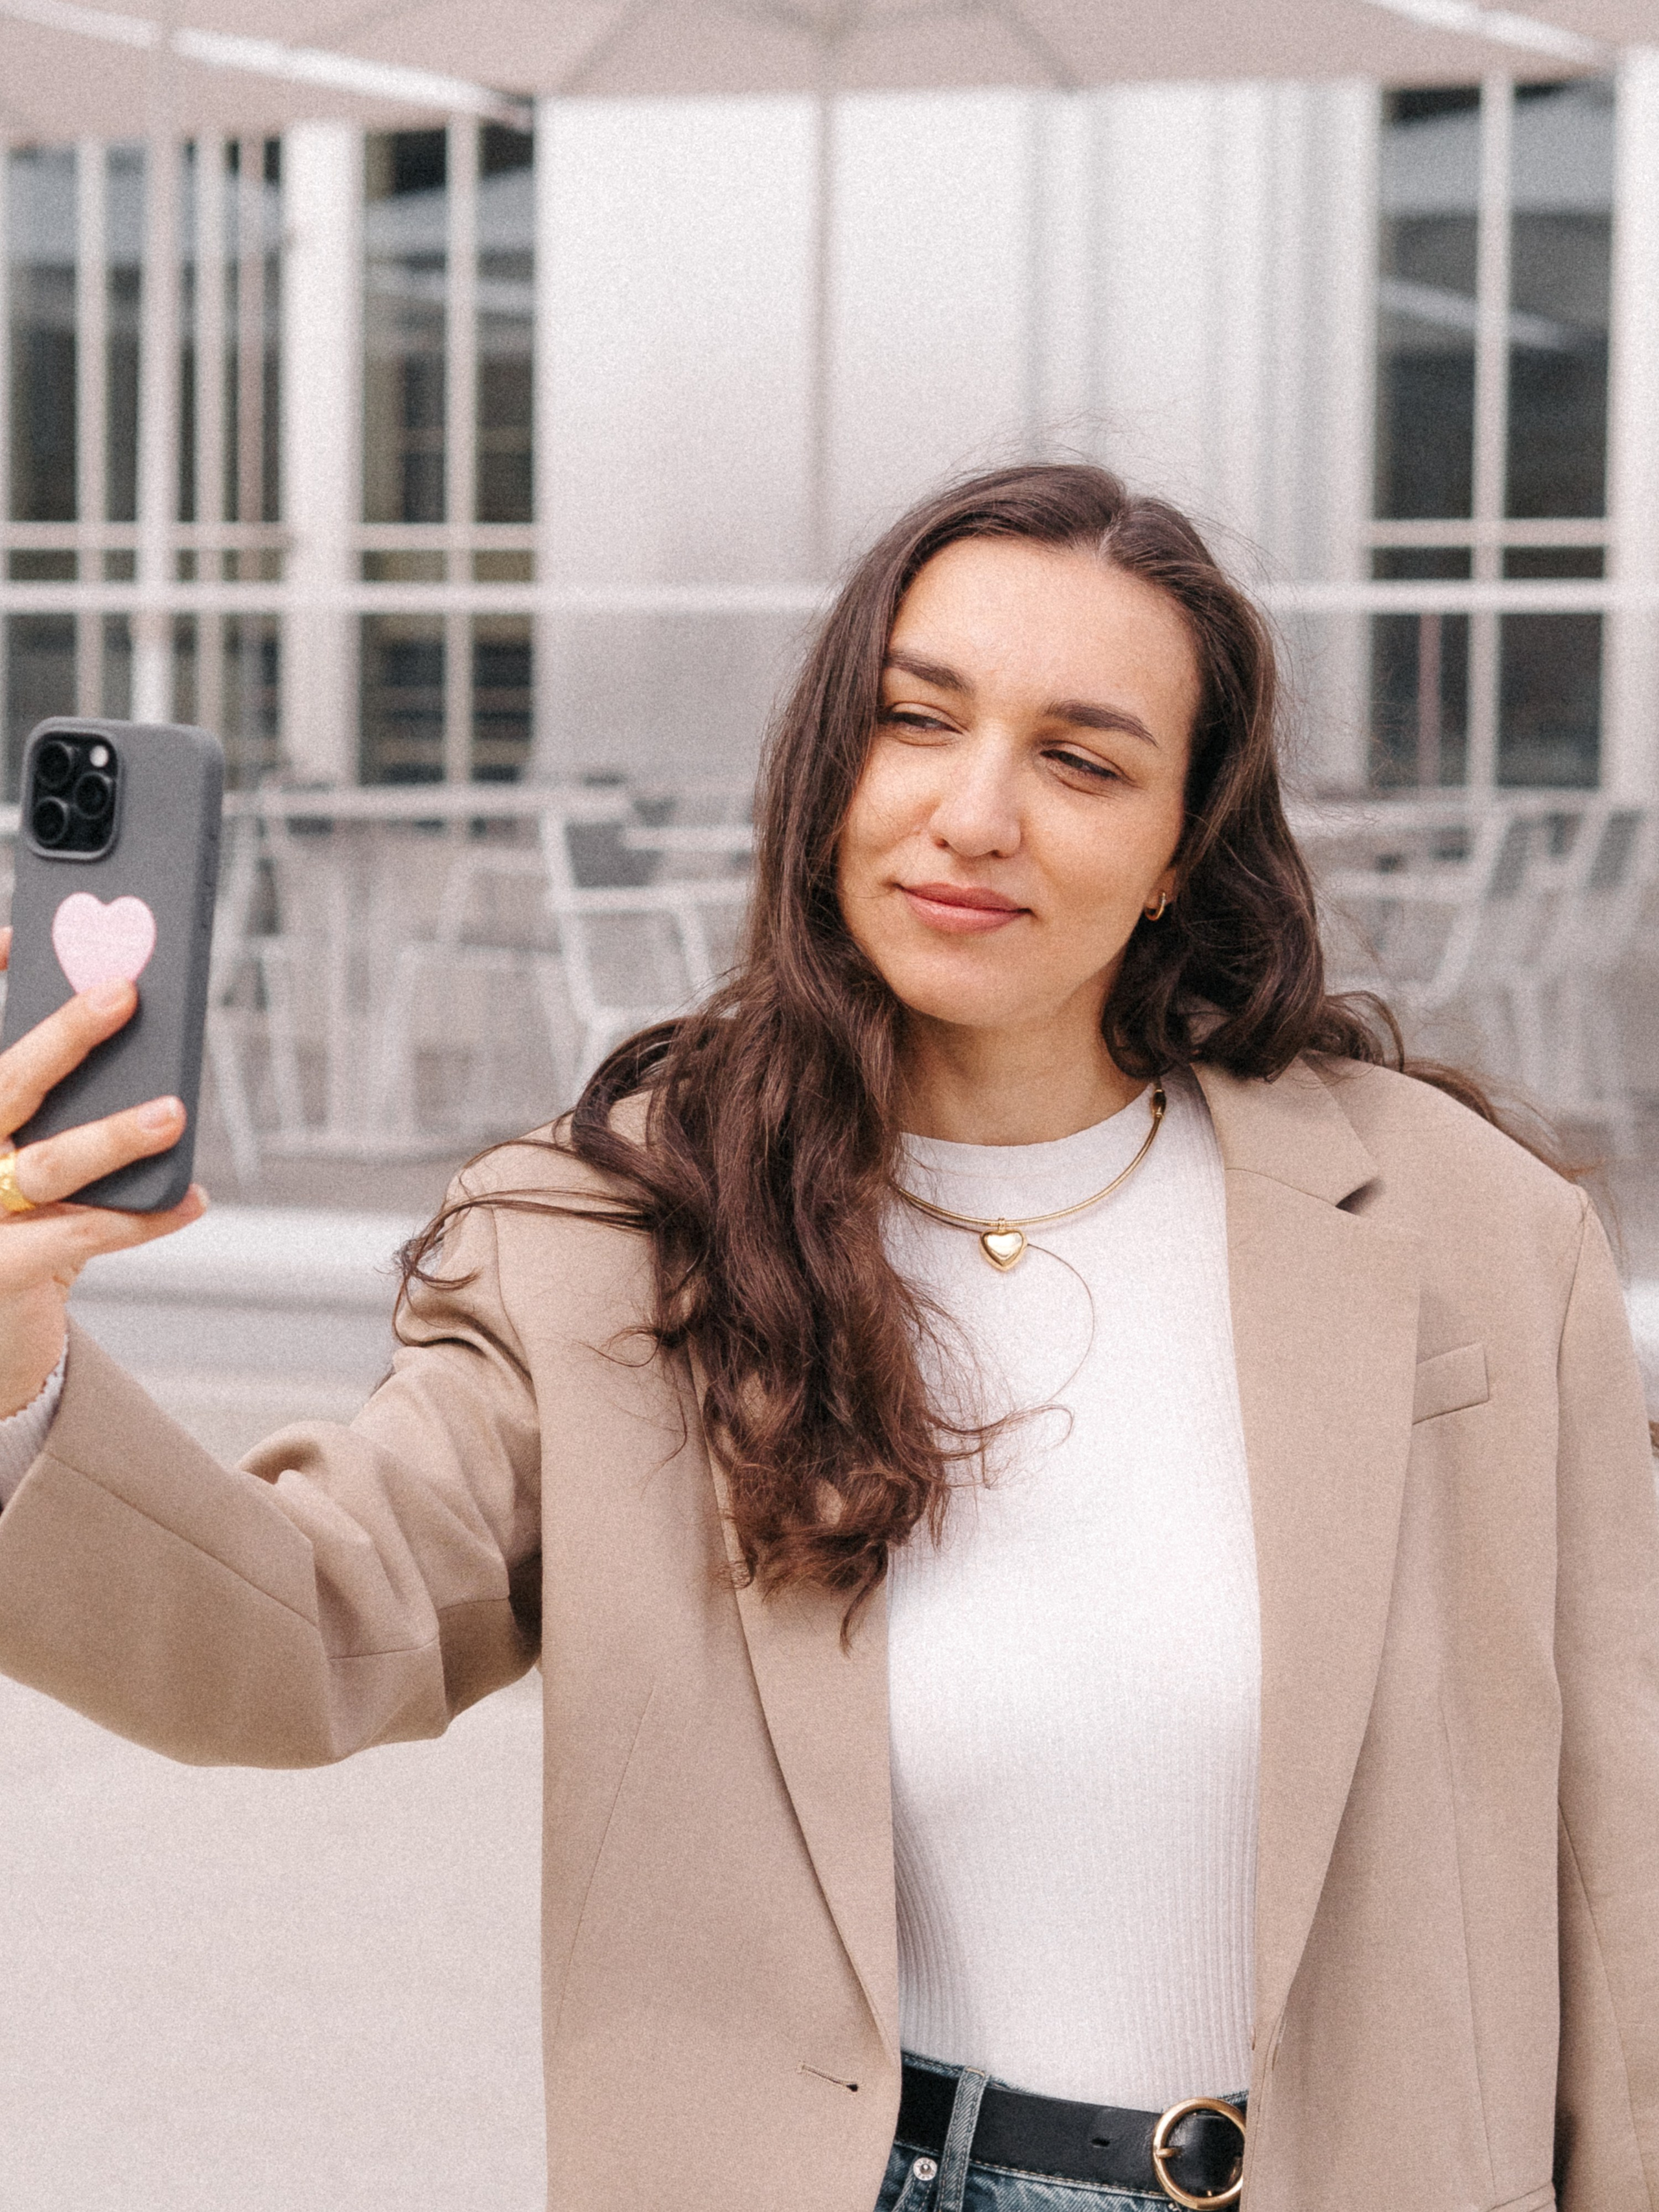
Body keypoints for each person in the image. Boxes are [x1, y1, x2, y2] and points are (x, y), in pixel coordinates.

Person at [0, 463, 1654, 2212]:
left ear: (1182, 850)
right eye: (914, 723)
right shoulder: (611, 1246)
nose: (974, 813)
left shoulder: (1464, 1236)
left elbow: (1618, 1870)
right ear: (825, 771)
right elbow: (310, 1629)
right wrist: (18, 1370)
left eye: (1081, 760)